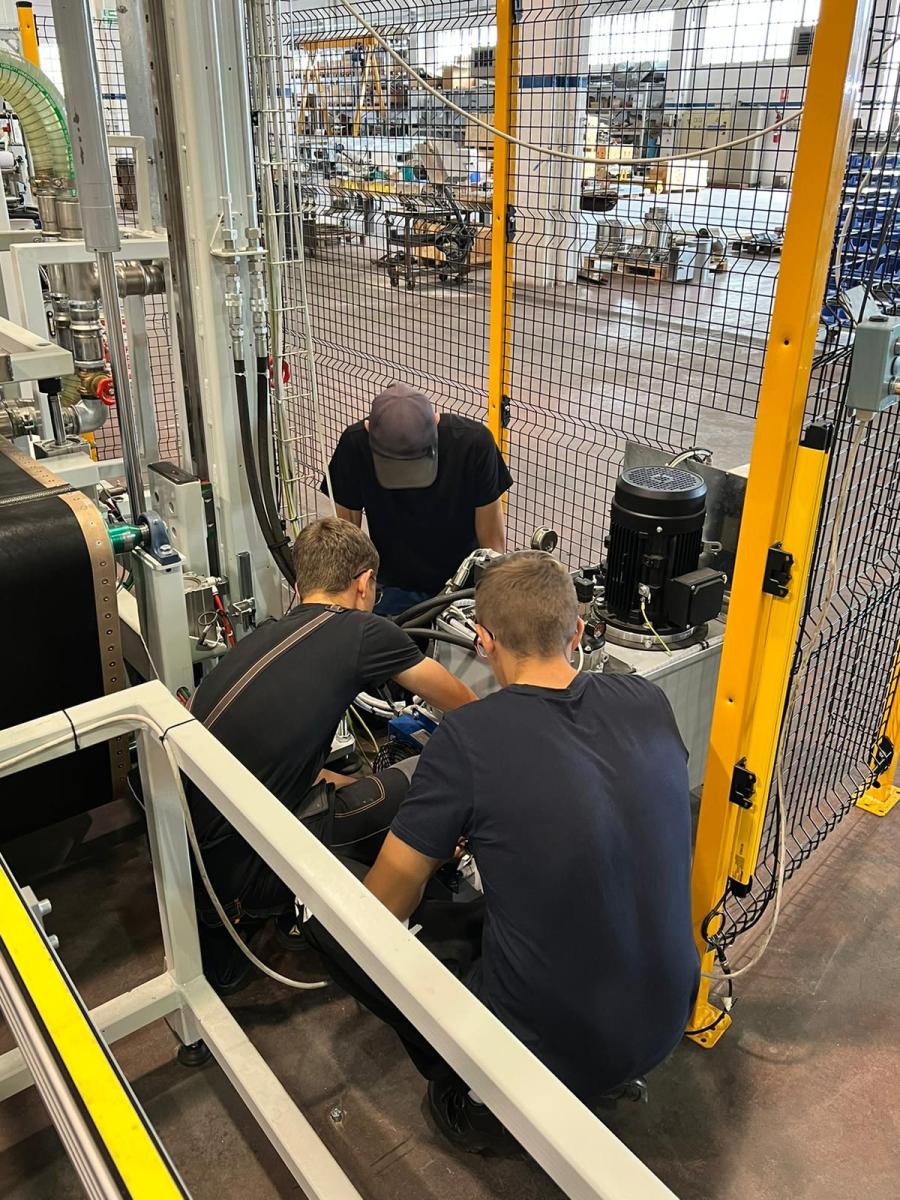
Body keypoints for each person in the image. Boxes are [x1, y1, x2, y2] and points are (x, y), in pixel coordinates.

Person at [308, 552, 699, 1153]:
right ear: (577, 631)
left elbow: (382, 908)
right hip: (667, 1020)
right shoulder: (646, 700)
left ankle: (473, 1094)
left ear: (484, 640)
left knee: (326, 911)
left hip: (555, 1054)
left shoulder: (467, 739)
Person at [187, 517, 477, 991]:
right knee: (424, 773)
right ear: (364, 582)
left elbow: (280, 764)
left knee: (353, 786)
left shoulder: (266, 634)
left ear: (301, 583)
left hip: (197, 871)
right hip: (248, 879)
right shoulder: (363, 631)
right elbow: (469, 707)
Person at [321, 382, 513, 615]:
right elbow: (347, 544)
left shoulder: (474, 445)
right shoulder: (355, 446)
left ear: (436, 421)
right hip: (391, 587)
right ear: (368, 431)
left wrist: (491, 608)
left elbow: (492, 548)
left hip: (461, 586)